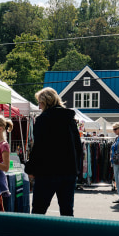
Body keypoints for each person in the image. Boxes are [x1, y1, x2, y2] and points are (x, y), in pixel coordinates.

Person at [26, 87, 82, 216]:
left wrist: (30, 169)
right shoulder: (70, 119)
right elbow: (78, 147)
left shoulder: (43, 120)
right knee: (67, 211)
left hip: (47, 172)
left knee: (39, 210)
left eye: (39, 103)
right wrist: (75, 167)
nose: (39, 107)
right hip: (68, 171)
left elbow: (39, 147)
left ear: (46, 102)